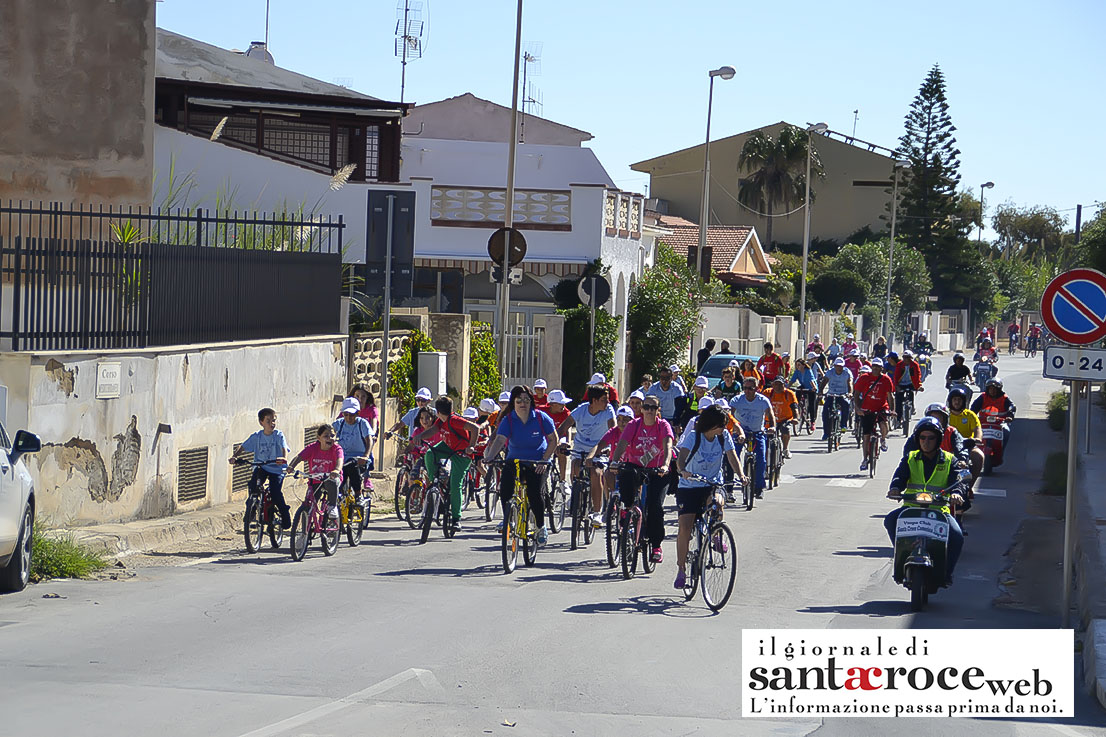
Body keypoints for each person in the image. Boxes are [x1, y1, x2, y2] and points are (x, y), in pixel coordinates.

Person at [885, 418, 967, 584]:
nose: (926, 442)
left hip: (939, 512)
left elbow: (958, 481)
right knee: (890, 520)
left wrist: (957, 493)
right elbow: (900, 476)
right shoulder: (910, 457)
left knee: (957, 536)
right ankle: (901, 555)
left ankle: (947, 573)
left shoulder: (950, 460)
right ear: (918, 439)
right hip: (911, 509)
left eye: (931, 438)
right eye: (923, 438)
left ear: (938, 440)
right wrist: (895, 488)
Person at [673, 405, 743, 589]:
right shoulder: (694, 436)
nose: (724, 429)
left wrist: (741, 475)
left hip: (712, 484)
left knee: (718, 503)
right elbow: (681, 458)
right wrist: (683, 471)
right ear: (713, 425)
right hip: (690, 486)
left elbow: (732, 456)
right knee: (685, 528)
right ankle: (681, 569)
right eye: (722, 425)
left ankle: (716, 535)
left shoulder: (723, 437)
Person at [482, 385, 559, 543]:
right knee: (505, 489)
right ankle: (508, 518)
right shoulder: (508, 420)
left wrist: (544, 460)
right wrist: (489, 457)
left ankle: (540, 525)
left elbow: (553, 440)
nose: (522, 403)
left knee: (534, 492)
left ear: (531, 401)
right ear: (513, 403)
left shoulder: (541, 417)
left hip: (538, 461)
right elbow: (500, 440)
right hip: (515, 460)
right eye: (519, 401)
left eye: (526, 400)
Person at [611, 395, 676, 564]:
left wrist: (665, 465)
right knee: (626, 473)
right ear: (641, 409)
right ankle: (627, 508)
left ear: (657, 410)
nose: (648, 410)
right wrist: (615, 462)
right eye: (646, 407)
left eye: (652, 408)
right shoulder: (634, 425)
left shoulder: (663, 425)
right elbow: (622, 444)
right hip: (637, 466)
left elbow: (668, 446)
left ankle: (656, 546)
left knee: (654, 506)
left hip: (658, 470)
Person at [557, 385, 616, 528]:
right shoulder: (581, 410)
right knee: (576, 466)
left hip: (599, 449)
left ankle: (597, 512)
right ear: (594, 401)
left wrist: (611, 449)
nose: (607, 403)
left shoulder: (608, 410)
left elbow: (613, 430)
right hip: (580, 448)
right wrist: (560, 442)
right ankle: (576, 495)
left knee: (596, 473)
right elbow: (563, 428)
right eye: (603, 400)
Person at [423, 396, 481, 532]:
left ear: (437, 411)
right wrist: (419, 437)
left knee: (455, 486)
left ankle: (456, 519)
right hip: (449, 447)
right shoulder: (440, 421)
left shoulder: (454, 420)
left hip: (462, 454)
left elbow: (475, 428)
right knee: (430, 453)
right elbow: (433, 431)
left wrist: (471, 446)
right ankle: (434, 481)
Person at [231, 408, 292, 529]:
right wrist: (234, 457)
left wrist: (283, 458)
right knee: (253, 486)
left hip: (277, 468)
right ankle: (252, 508)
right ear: (261, 422)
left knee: (275, 492)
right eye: (268, 421)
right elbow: (242, 447)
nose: (272, 424)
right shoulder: (257, 437)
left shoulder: (278, 435)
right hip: (261, 467)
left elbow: (284, 447)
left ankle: (284, 513)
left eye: (273, 421)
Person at [729, 376, 776, 497]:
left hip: (757, 432)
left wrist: (772, 427)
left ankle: (759, 487)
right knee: (732, 455)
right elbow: (730, 414)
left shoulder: (763, 400)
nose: (747, 391)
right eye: (745, 388)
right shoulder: (737, 400)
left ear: (756, 389)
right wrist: (732, 428)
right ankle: (729, 486)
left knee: (761, 459)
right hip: (740, 433)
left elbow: (770, 416)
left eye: (750, 388)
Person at [288, 424, 343, 518]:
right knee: (309, 502)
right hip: (315, 479)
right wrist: (291, 466)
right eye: (326, 436)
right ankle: (307, 524)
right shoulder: (313, 447)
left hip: (330, 478)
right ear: (318, 438)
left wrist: (337, 470)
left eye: (332, 436)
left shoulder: (337, 449)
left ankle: (332, 506)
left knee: (332, 483)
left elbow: (340, 460)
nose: (330, 438)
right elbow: (299, 457)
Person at [853, 357, 895, 471]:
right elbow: (856, 394)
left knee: (883, 425)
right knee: (866, 437)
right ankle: (865, 459)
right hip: (867, 409)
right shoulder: (864, 378)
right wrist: (857, 408)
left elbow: (890, 396)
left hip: (881, 407)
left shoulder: (886, 379)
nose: (875, 368)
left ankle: (883, 439)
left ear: (882, 368)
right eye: (874, 366)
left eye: (878, 367)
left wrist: (892, 410)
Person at [332, 397, 375, 504]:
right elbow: (329, 435)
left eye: (351, 415)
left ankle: (358, 494)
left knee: (352, 467)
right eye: (346, 415)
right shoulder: (339, 424)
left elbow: (369, 440)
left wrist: (366, 455)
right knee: (336, 476)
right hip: (342, 458)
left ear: (357, 413)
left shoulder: (362, 423)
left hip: (359, 458)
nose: (348, 418)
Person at [946, 386, 984, 484]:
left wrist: (977, 438)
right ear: (950, 401)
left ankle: (969, 486)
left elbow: (977, 428)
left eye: (959, 400)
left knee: (979, 456)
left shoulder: (970, 415)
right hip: (947, 445)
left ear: (964, 402)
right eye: (954, 399)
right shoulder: (945, 414)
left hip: (966, 445)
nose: (957, 402)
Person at [971, 378, 1016, 448]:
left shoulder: (1004, 398)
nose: (992, 391)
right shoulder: (983, 397)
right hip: (983, 422)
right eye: (990, 389)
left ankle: (1002, 449)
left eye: (995, 389)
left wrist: (1010, 416)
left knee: (1006, 431)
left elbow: (1012, 407)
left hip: (1000, 423)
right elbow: (974, 407)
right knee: (973, 432)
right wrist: (972, 416)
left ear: (999, 389)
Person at [545, 389, 573, 489]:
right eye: (561, 403)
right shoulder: (542, 411)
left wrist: (568, 442)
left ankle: (562, 480)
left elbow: (568, 428)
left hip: (560, 437)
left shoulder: (566, 412)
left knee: (562, 452)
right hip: (546, 438)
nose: (563, 406)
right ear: (552, 404)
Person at [820, 357, 854, 438]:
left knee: (846, 405)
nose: (839, 368)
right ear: (834, 366)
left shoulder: (847, 372)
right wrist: (820, 391)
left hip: (843, 394)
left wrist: (850, 393)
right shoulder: (830, 372)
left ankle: (843, 425)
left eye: (841, 366)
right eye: (837, 366)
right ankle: (826, 433)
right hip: (832, 394)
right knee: (825, 412)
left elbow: (850, 383)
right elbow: (824, 381)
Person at [766, 377, 799, 458]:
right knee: (767, 435)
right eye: (775, 384)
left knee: (785, 429)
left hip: (785, 418)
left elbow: (794, 408)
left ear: (784, 385)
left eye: (780, 384)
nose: (777, 386)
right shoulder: (767, 392)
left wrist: (795, 418)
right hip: (771, 419)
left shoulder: (789, 394)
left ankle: (785, 449)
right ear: (772, 385)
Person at [892, 349, 923, 425]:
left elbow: (918, 375)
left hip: (911, 383)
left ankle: (911, 408)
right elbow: (896, 376)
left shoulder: (914, 365)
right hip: (901, 384)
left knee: (911, 394)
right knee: (898, 400)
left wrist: (919, 386)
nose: (906, 359)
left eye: (908, 358)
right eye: (905, 357)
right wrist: (896, 386)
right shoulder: (899, 365)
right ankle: (898, 418)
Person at [790, 357, 820, 430]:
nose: (798, 367)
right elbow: (792, 380)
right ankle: (798, 411)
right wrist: (787, 387)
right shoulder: (797, 372)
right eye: (797, 365)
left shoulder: (808, 371)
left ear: (803, 365)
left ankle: (812, 421)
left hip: (811, 387)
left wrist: (814, 388)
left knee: (811, 405)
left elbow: (811, 380)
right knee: (796, 398)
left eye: (799, 365)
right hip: (803, 386)